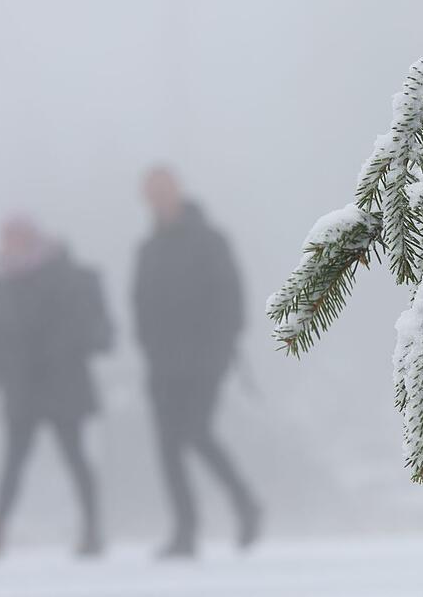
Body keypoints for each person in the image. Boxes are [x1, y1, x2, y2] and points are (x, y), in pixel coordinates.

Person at [0, 216, 112, 558]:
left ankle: (92, 528)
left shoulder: (62, 272)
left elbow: (77, 326)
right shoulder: (3, 281)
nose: (8, 244)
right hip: (22, 387)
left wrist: (54, 350)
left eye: (15, 238)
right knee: (13, 462)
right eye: (5, 238)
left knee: (75, 458)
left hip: (62, 384)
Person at [134, 166, 260, 558]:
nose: (158, 197)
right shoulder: (148, 249)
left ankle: (245, 502)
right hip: (162, 364)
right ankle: (185, 531)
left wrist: (221, 348)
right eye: (151, 192)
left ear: (177, 191)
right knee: (168, 447)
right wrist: (149, 348)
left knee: (195, 432)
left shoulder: (209, 240)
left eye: (163, 189)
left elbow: (232, 298)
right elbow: (139, 304)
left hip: (205, 360)